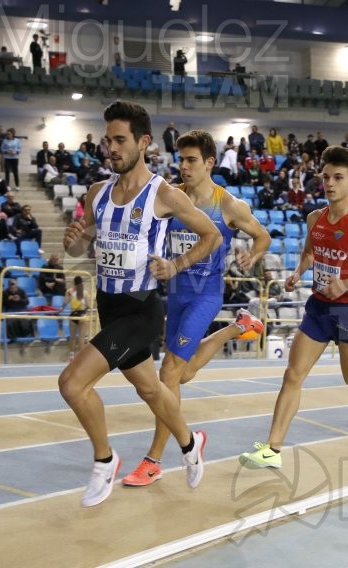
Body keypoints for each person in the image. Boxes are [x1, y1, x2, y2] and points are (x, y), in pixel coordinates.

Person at [60, 100, 219, 507]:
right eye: (107, 139)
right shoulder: (97, 193)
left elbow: (212, 237)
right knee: (150, 389)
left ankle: (104, 460)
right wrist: (74, 240)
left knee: (73, 384)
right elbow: (81, 250)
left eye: (120, 140)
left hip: (141, 310)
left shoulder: (163, 195)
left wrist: (177, 264)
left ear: (143, 142)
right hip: (109, 306)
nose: (110, 147)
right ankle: (189, 443)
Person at [237, 146, 348, 470]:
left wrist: (347, 283)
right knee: (293, 374)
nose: (330, 183)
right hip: (318, 307)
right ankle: (272, 449)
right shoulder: (314, 218)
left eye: (338, 178)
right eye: (326, 177)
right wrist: (298, 272)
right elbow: (309, 252)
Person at [121, 130, 270, 487]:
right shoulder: (172, 198)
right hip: (175, 293)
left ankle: (154, 460)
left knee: (168, 376)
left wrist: (253, 254)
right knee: (182, 376)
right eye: (180, 160)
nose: (183, 167)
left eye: (191, 160)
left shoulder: (229, 205)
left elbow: (262, 236)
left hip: (206, 294)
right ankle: (235, 328)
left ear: (209, 163)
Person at [64, 275, 89, 362]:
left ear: (74, 283)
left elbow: (65, 303)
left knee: (73, 337)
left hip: (73, 315)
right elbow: (88, 306)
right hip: (82, 315)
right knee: (81, 337)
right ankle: (81, 358)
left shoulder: (69, 291)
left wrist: (60, 309)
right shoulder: (85, 292)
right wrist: (84, 311)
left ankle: (71, 355)